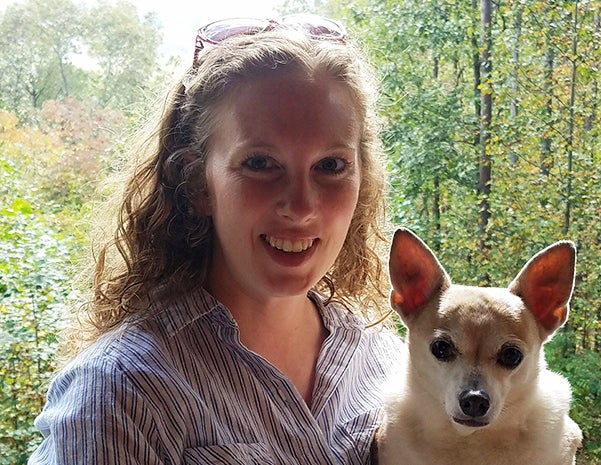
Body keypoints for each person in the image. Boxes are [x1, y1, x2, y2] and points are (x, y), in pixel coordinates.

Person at [29, 13, 403, 465]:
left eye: (331, 166)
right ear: (197, 182)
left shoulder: (387, 361)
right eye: (261, 163)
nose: (301, 206)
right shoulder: (123, 392)